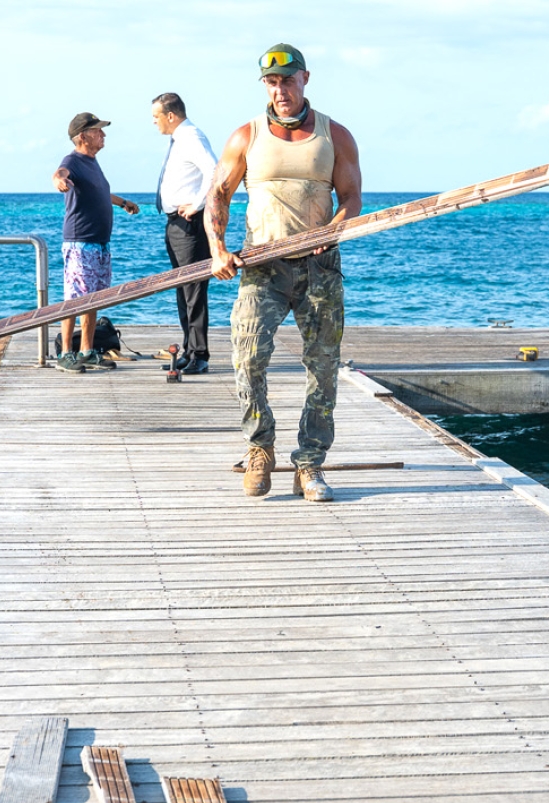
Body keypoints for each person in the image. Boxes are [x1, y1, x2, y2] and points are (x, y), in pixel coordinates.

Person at [206, 43, 362, 502]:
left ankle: (310, 464)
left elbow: (352, 198)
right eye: (272, 83)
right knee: (247, 358)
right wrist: (218, 249)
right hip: (262, 266)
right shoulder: (246, 136)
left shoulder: (335, 135)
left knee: (323, 367)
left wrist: (334, 229)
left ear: (305, 79)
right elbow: (218, 195)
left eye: (288, 81)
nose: (280, 91)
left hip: (319, 266)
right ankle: (260, 448)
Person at [52, 112, 140, 372]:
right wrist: (58, 180)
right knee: (75, 299)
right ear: (83, 136)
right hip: (80, 243)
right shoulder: (73, 160)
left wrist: (122, 202)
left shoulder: (92, 162)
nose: (103, 134)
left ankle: (87, 351)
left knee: (94, 299)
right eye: (97, 131)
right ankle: (65, 354)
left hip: (100, 243)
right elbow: (61, 172)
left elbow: (100, 192)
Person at [152, 93, 218, 375]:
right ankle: (189, 350)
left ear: (170, 115)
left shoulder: (192, 137)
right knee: (183, 289)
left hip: (189, 223)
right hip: (175, 223)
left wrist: (197, 205)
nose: (153, 122)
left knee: (193, 290)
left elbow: (215, 171)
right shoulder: (179, 139)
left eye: (156, 116)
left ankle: (199, 355)